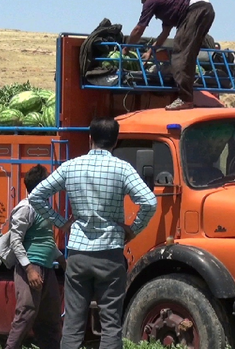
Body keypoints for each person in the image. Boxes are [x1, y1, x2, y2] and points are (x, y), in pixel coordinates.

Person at [29, 118, 157, 349]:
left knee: (73, 325)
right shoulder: (122, 168)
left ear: (90, 138)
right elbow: (149, 202)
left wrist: (61, 223)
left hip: (78, 254)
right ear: (115, 141)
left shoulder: (71, 166)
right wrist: (133, 230)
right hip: (110, 254)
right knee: (110, 325)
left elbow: (36, 196)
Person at [123, 0, 215, 111]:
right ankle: (187, 93)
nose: (142, 2)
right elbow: (165, 33)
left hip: (195, 10)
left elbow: (139, 29)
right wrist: (150, 52)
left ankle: (185, 99)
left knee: (180, 53)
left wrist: (126, 49)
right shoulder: (167, 3)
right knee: (189, 52)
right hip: (206, 9)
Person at [5, 164, 70, 349]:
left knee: (50, 318)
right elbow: (15, 242)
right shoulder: (25, 208)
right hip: (32, 268)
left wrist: (61, 260)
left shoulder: (44, 208)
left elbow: (46, 240)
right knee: (26, 313)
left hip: (47, 268)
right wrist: (29, 270)